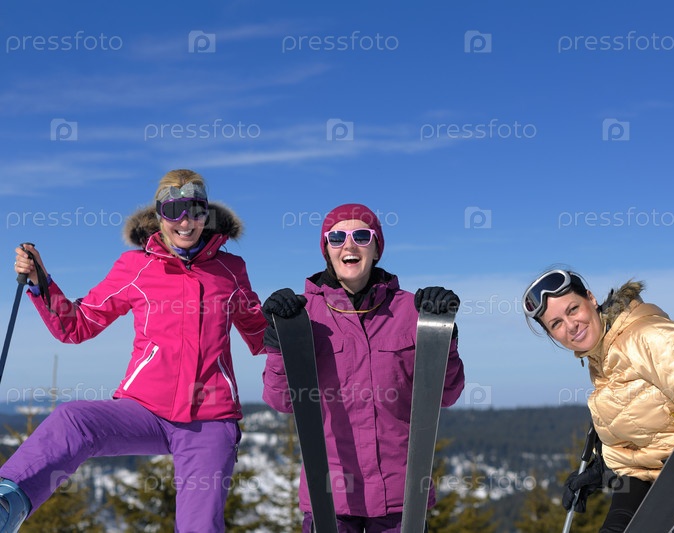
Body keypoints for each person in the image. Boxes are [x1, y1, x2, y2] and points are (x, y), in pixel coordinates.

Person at [1, 169, 268, 532]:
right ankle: (9, 501)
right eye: (173, 210)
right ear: (160, 215)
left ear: (206, 214)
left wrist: (289, 318)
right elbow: (78, 324)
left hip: (210, 417)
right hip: (145, 409)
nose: (185, 222)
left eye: (195, 210)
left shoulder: (230, 269)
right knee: (73, 420)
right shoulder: (136, 267)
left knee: (200, 526)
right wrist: (41, 283)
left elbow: (259, 334)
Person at [261, 203, 465, 533]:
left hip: (401, 496)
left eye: (361, 236)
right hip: (330, 497)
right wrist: (278, 344)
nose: (349, 245)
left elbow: (446, 394)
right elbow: (282, 400)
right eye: (337, 237)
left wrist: (444, 337)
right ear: (326, 249)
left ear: (376, 248)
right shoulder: (303, 314)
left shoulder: (410, 310)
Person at [521, 269, 674, 533]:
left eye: (573, 309)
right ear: (552, 335)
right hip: (641, 481)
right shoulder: (601, 357)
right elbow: (643, 425)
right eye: (556, 323)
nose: (571, 325)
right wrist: (602, 470)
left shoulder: (650, 337)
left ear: (591, 299)